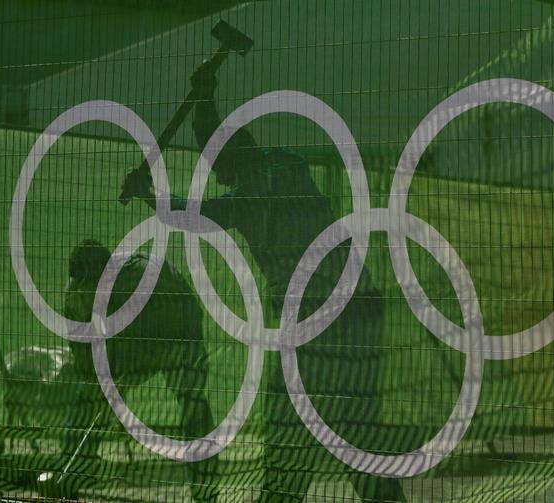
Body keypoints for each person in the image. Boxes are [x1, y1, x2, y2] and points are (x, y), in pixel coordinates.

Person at [122, 66, 406, 502]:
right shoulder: (287, 162)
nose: (221, 179)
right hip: (360, 306)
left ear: (233, 166)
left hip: (320, 317)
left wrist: (150, 195)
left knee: (293, 420)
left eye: (222, 172)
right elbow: (225, 155)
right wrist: (204, 101)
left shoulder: (252, 192)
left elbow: (199, 213)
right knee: (353, 422)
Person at [60, 239, 219, 501]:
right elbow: (83, 358)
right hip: (129, 339)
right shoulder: (75, 297)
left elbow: (149, 340)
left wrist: (120, 376)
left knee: (192, 403)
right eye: (84, 287)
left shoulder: (144, 281)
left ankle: (205, 490)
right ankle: (69, 476)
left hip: (177, 331)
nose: (86, 292)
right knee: (86, 398)